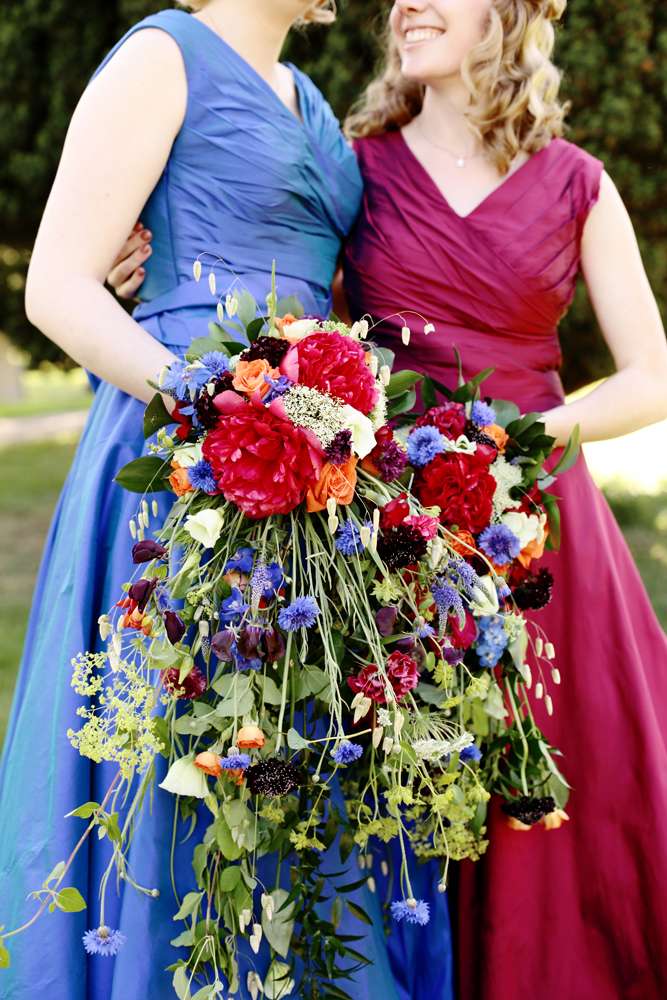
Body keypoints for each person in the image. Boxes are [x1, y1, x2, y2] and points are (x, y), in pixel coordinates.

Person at [108, 1, 667, 997]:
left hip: (533, 521)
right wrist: (137, 253)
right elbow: (266, 264)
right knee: (392, 785)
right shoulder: (354, 171)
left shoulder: (577, 181)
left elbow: (651, 376)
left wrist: (525, 442)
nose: (405, 2)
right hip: (380, 527)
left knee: (559, 790)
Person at [0, 3, 448, 998]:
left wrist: (324, 417)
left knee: (296, 743)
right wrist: (224, 402)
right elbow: (57, 287)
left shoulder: (311, 101)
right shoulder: (162, 57)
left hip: (311, 472)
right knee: (188, 743)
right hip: (184, 457)